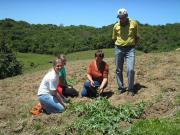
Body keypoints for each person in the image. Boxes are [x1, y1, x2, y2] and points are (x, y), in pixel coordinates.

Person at [112, 8, 140, 96]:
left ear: (126, 16)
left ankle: (130, 89)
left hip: (130, 49)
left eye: (122, 17)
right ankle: (121, 88)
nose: (121, 19)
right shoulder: (116, 26)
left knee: (130, 69)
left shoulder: (134, 23)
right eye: (119, 17)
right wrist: (119, 45)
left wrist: (132, 45)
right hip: (118, 48)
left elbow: (137, 36)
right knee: (118, 69)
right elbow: (114, 38)